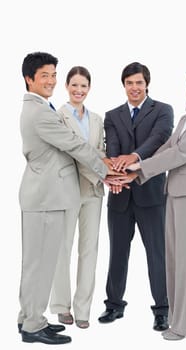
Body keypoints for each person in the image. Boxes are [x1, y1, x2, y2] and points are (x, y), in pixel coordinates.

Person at [17, 52, 121, 345]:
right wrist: (105, 171)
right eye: (44, 76)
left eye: (53, 74)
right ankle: (33, 324)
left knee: (35, 263)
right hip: (47, 196)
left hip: (48, 195)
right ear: (29, 79)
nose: (50, 80)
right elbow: (75, 145)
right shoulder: (42, 113)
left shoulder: (41, 108)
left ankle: (29, 318)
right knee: (41, 263)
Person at [123, 68, 186, 340]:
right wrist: (137, 169)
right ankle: (175, 319)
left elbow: (181, 153)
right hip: (174, 192)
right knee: (173, 258)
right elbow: (168, 147)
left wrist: (141, 167)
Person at [98, 62, 174, 331]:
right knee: (117, 252)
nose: (134, 87)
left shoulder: (163, 110)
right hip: (120, 195)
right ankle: (114, 305)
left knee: (157, 253)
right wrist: (117, 174)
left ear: (147, 84)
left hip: (151, 194)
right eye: (129, 83)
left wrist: (135, 157)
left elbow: (159, 139)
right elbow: (113, 144)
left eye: (139, 83)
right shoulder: (112, 115)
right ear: (124, 85)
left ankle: (162, 309)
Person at [49, 66, 105, 329]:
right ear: (67, 86)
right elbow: (69, 151)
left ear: (89, 88)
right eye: (74, 85)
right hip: (68, 189)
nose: (79, 90)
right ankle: (61, 306)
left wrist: (109, 170)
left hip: (93, 192)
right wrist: (102, 172)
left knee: (89, 250)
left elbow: (100, 151)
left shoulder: (96, 119)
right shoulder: (57, 116)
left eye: (84, 86)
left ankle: (83, 309)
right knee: (63, 248)